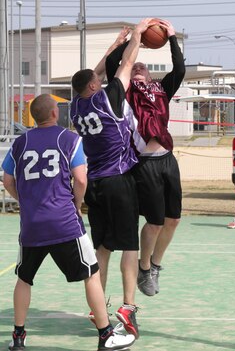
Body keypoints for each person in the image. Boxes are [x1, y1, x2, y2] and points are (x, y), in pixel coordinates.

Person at [1, 94, 135, 351]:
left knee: (24, 279)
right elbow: (81, 180)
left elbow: (7, 181)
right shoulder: (69, 139)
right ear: (54, 113)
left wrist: (25, 201)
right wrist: (76, 203)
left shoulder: (21, 142)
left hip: (32, 225)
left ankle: (18, 337)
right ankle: (106, 335)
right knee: (92, 275)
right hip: (64, 221)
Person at [70, 18, 153, 338]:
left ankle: (97, 307)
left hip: (94, 185)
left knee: (102, 247)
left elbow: (94, 73)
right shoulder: (109, 98)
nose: (99, 79)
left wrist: (116, 42)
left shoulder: (77, 105)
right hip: (119, 180)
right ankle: (127, 305)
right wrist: (137, 35)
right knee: (129, 246)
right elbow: (127, 64)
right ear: (94, 86)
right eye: (96, 80)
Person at [105, 19, 186, 297]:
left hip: (167, 160)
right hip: (144, 163)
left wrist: (171, 37)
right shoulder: (124, 92)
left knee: (173, 219)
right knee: (154, 222)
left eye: (143, 67)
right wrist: (135, 39)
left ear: (151, 75)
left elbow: (180, 68)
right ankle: (142, 266)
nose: (138, 67)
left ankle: (154, 266)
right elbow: (115, 63)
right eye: (135, 66)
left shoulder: (162, 89)